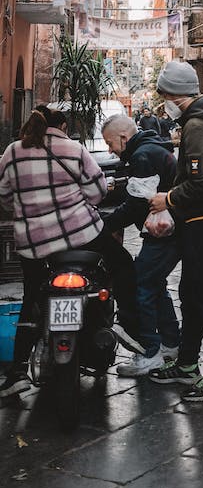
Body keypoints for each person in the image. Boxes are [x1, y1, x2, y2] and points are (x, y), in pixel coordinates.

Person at [0, 107, 144, 398]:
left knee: (31, 298)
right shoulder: (73, 149)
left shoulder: (13, 152)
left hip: (34, 244)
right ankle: (129, 326)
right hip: (81, 234)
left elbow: (4, 195)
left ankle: (17, 372)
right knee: (122, 264)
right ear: (62, 125)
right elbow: (97, 191)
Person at [148, 61, 203, 402]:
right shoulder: (199, 120)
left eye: (165, 95)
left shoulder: (197, 126)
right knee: (191, 291)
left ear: (175, 94)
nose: (164, 102)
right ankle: (187, 364)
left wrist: (167, 199)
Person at [101, 115, 180, 377]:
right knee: (155, 284)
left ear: (124, 138)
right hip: (171, 230)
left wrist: (106, 224)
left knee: (142, 285)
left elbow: (137, 203)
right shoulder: (154, 148)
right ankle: (170, 343)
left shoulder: (142, 156)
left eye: (110, 143)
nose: (110, 150)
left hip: (164, 233)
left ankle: (150, 352)